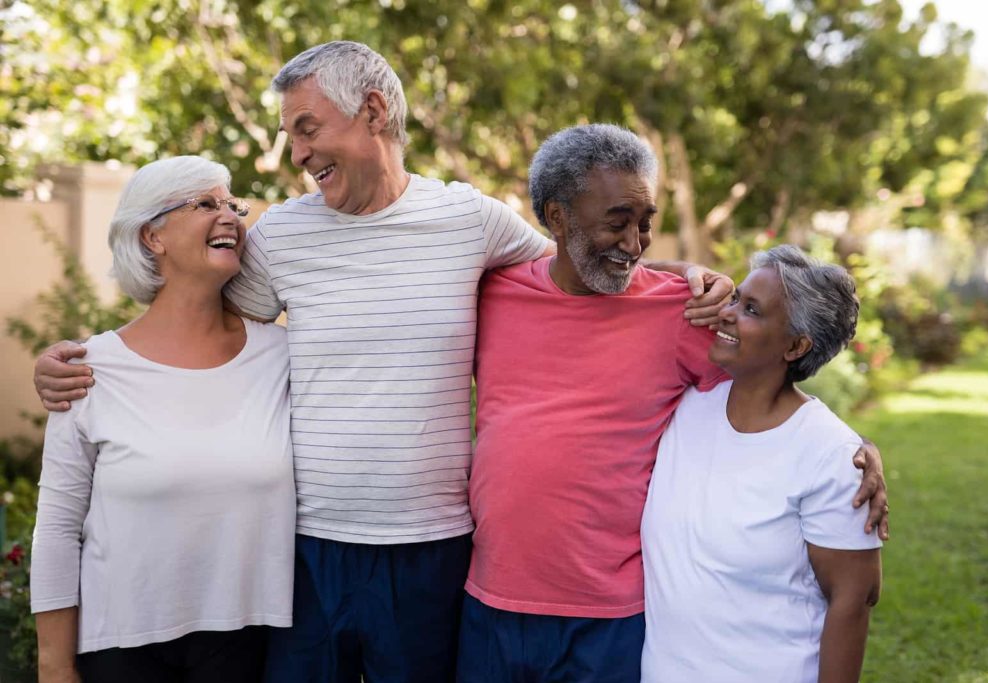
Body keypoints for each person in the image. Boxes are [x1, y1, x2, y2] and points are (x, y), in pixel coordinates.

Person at [31, 43, 735, 683]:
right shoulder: (277, 235)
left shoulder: (471, 220)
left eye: (307, 127)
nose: (298, 152)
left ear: (371, 111)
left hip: (432, 551)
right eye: (291, 135)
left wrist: (685, 273)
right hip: (305, 549)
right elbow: (189, 317)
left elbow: (583, 259)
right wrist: (92, 360)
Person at [457, 125, 887, 683]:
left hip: (610, 619)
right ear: (557, 217)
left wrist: (856, 451)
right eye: (617, 221)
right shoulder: (491, 293)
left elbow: (771, 386)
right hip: (490, 599)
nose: (636, 245)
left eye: (646, 223)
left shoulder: (680, 314)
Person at [30, 156, 295, 683]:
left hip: (251, 649)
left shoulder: (282, 356)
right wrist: (54, 667)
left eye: (232, 204)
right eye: (205, 204)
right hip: (123, 651)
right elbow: (57, 529)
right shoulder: (89, 370)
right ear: (153, 237)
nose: (231, 218)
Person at [641, 245, 884, 682]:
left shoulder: (831, 454)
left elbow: (854, 599)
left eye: (750, 308)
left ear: (795, 346)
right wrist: (690, 270)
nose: (728, 313)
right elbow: (615, 272)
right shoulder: (684, 405)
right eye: (736, 298)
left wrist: (860, 448)